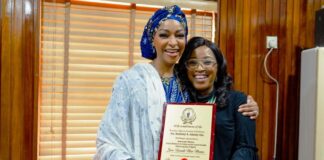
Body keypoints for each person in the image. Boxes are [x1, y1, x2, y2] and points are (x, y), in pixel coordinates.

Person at [94, 5, 258, 160]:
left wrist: (249, 107)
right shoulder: (131, 82)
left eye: (179, 35)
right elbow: (108, 141)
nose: (173, 42)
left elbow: (216, 104)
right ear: (152, 39)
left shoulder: (187, 78)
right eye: (164, 35)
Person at [177, 36, 259, 159]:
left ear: (218, 68)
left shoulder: (239, 102)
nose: (200, 68)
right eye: (192, 62)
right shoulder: (178, 101)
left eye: (207, 62)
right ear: (185, 68)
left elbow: (246, 148)